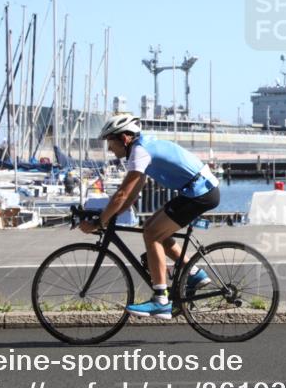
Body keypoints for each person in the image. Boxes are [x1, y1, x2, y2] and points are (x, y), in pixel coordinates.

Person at [80, 114, 219, 319]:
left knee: (152, 234)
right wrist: (110, 216)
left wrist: (100, 222)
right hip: (196, 190)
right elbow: (131, 196)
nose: (109, 148)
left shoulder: (140, 151)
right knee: (151, 227)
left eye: (110, 141)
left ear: (124, 138)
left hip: (200, 193)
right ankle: (193, 273)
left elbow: (122, 194)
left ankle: (161, 300)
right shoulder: (142, 148)